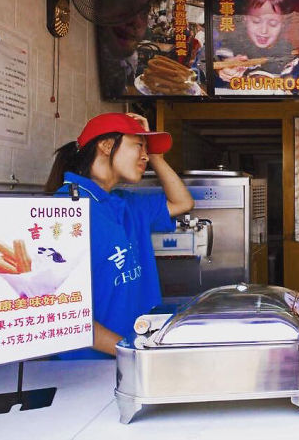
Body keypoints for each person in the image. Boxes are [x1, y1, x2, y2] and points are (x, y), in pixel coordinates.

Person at [44, 112, 194, 357]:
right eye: (139, 146)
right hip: (85, 369)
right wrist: (132, 352)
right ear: (106, 145)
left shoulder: (124, 203)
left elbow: (183, 202)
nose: (144, 156)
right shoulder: (66, 211)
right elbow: (60, 310)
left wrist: (155, 154)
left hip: (130, 357)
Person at [215, 0, 299, 95]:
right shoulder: (232, 45)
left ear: (284, 23)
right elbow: (205, 62)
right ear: (244, 18)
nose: (264, 31)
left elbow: (298, 87)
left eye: (273, 23)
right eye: (256, 21)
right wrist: (220, 71)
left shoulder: (288, 52)